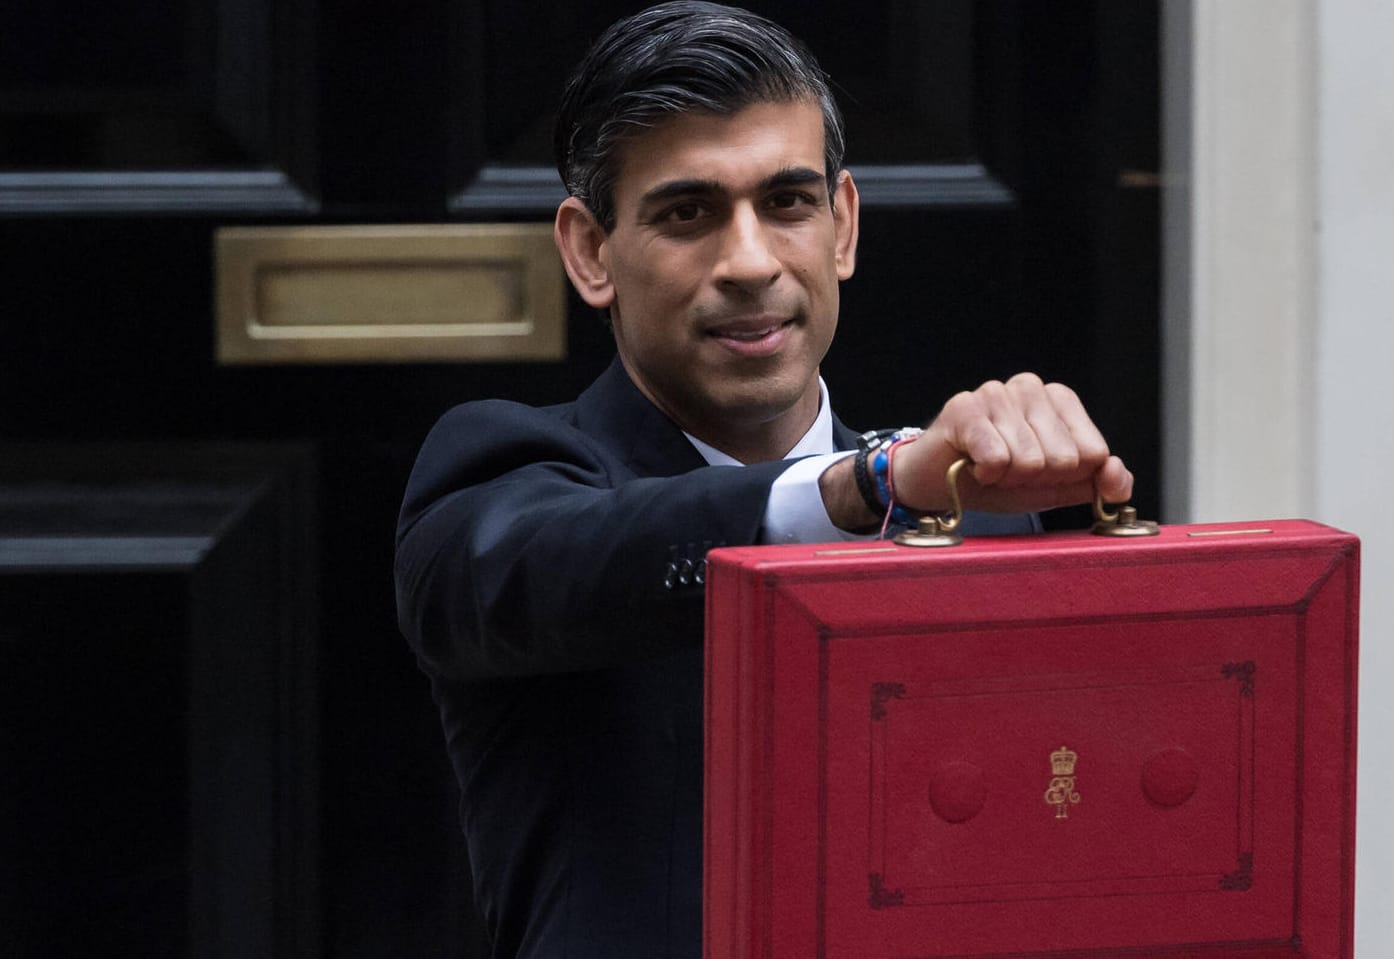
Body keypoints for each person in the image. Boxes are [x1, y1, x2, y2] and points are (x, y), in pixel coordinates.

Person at [394, 3, 1133, 956]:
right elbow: (549, 565)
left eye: (786, 203)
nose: (748, 263)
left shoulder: (971, 515)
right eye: (686, 213)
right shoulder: (503, 476)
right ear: (588, 251)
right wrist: (860, 488)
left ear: (843, 226)